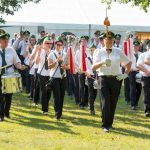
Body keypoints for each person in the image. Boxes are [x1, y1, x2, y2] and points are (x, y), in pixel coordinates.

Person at [92, 31, 131, 132]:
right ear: (103, 40)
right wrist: (103, 62)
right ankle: (105, 125)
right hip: (103, 78)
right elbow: (94, 67)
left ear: (113, 40)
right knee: (105, 101)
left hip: (115, 79)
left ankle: (110, 123)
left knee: (113, 101)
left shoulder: (118, 51)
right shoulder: (99, 51)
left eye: (110, 39)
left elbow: (128, 63)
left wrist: (125, 74)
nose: (108, 41)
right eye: (106, 39)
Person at [0, 29, 26, 121]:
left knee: (8, 96)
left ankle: (7, 113)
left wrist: (21, 67)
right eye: (4, 41)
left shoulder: (11, 50)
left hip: (9, 76)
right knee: (0, 96)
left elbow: (16, 62)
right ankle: (1, 115)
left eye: (7, 40)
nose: (7, 42)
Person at [48, 36, 68, 120]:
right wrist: (56, 61)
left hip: (63, 77)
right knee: (57, 96)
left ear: (62, 45)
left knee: (62, 96)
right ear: (55, 45)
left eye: (60, 44)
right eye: (57, 44)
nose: (59, 46)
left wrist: (65, 67)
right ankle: (57, 113)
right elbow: (49, 66)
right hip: (55, 77)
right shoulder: (51, 54)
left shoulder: (65, 54)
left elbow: (69, 66)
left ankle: (60, 113)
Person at [36, 36, 52, 115]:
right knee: (44, 91)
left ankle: (46, 105)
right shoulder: (40, 51)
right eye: (47, 43)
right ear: (43, 44)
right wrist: (39, 52)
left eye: (50, 43)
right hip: (41, 74)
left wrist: (48, 53)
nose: (49, 45)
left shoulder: (52, 52)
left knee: (49, 91)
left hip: (49, 74)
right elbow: (36, 62)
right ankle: (44, 109)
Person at [137, 39, 150, 117]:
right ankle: (147, 110)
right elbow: (138, 65)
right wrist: (146, 71)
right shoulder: (143, 55)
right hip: (145, 76)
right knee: (147, 93)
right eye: (148, 46)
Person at [129, 41, 142, 110]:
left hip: (140, 72)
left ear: (139, 46)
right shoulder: (130, 54)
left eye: (137, 46)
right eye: (134, 46)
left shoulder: (141, 54)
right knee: (133, 89)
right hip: (132, 72)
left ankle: (136, 103)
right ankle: (133, 104)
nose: (136, 47)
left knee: (139, 89)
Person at [85, 43, 97, 115]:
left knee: (95, 93)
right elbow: (86, 68)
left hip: (96, 77)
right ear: (90, 51)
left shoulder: (97, 59)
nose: (93, 51)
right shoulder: (87, 59)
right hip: (90, 77)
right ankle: (91, 109)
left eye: (94, 50)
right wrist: (87, 74)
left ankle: (90, 103)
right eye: (91, 50)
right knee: (91, 93)